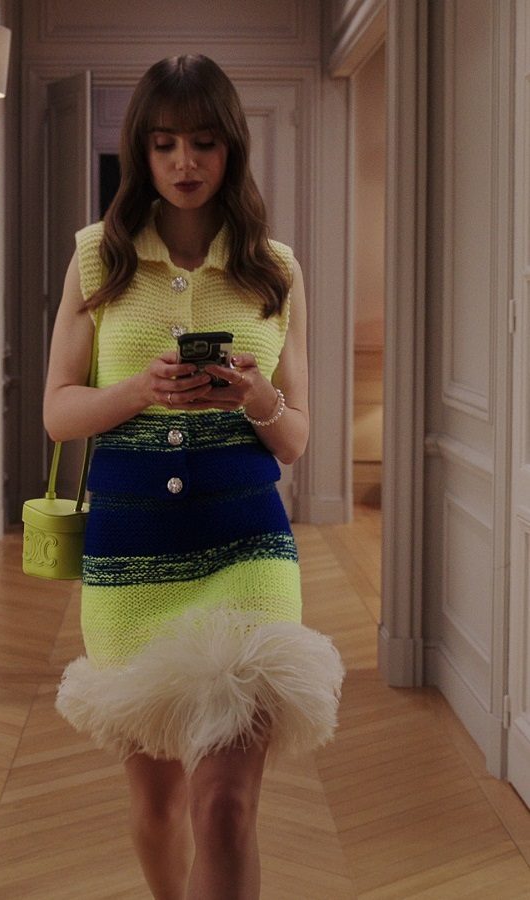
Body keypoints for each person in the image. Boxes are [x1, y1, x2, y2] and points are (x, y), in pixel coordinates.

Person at [43, 54, 345, 900]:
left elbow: (295, 439)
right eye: (166, 143)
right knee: (159, 800)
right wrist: (139, 391)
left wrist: (256, 397)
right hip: (131, 553)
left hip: (247, 547)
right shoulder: (98, 261)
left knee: (226, 808)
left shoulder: (275, 270)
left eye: (204, 142)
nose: (184, 162)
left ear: (231, 149)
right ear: (141, 150)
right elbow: (58, 413)